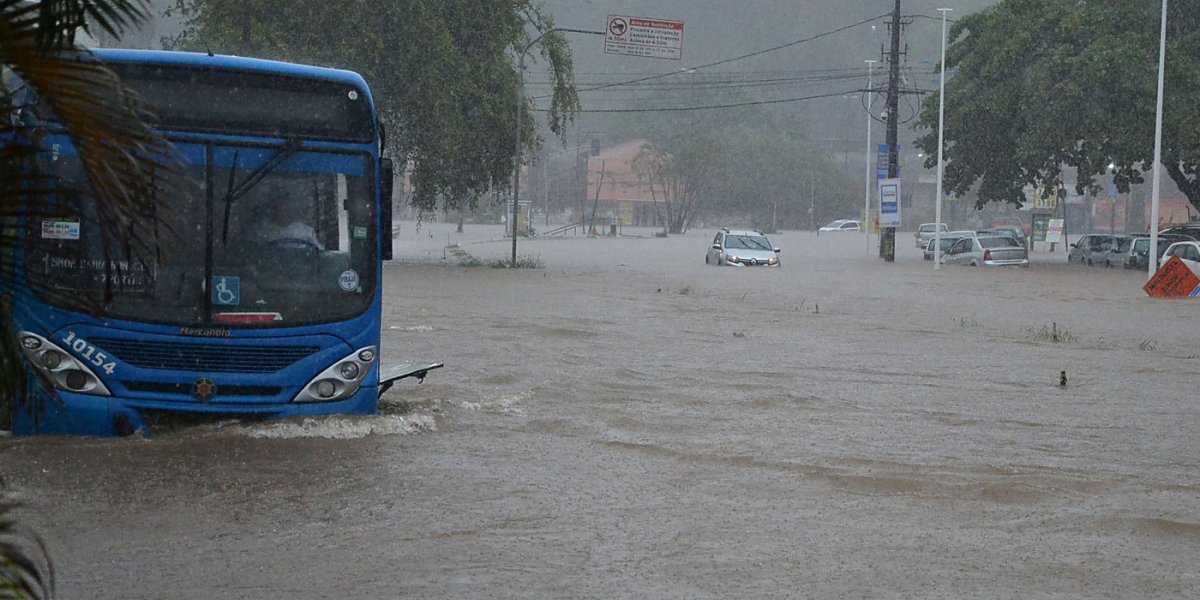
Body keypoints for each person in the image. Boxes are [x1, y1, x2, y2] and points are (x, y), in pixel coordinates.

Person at [261, 184, 322, 249]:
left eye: (285, 205)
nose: (282, 209)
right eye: (277, 206)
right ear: (271, 208)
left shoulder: (307, 231)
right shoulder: (263, 232)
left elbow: (320, 251)